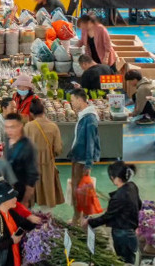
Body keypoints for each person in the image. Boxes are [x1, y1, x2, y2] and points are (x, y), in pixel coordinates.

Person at [81, 161, 141, 264]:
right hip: (131, 231)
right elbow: (138, 204)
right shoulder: (132, 186)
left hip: (123, 235)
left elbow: (107, 217)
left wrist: (89, 222)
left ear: (115, 178)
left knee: (123, 260)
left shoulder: (118, 197)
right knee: (129, 259)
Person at [24, 99, 64, 208]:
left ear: (31, 113)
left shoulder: (28, 126)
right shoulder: (53, 126)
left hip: (32, 165)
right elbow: (58, 149)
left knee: (32, 194)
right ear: (44, 111)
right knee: (47, 192)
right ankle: (46, 221)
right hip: (48, 165)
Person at [69, 89, 101, 222]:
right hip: (78, 157)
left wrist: (88, 163)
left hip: (82, 160)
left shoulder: (90, 118)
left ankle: (79, 217)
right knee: (78, 189)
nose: (71, 103)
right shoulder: (84, 116)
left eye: (72, 100)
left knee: (80, 191)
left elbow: (91, 142)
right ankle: (81, 216)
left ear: (79, 99)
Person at [2, 113, 39, 208]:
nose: (9, 130)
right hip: (7, 190)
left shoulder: (28, 147)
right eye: (6, 127)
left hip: (20, 193)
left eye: (12, 127)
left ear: (20, 126)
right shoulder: (7, 139)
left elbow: (32, 177)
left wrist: (25, 201)